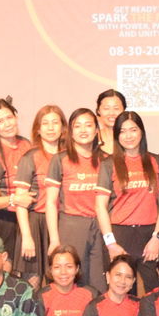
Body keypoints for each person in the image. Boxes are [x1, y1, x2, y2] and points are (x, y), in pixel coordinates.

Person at [96, 111, 159, 291]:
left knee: (155, 291)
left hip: (150, 236)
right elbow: (100, 206)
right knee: (121, 293)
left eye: (133, 130)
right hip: (120, 236)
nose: (128, 136)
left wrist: (157, 237)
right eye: (122, 131)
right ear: (117, 135)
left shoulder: (156, 161)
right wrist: (111, 243)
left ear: (141, 132)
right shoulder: (109, 164)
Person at [46, 107, 108, 290]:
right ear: (71, 132)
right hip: (71, 225)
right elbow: (50, 202)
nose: (83, 130)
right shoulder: (60, 160)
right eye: (77, 126)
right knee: (71, 282)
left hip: (101, 227)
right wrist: (54, 239)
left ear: (97, 130)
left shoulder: (107, 160)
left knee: (100, 283)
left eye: (88, 125)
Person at [0, 98, 33, 280]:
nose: (7, 124)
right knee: (3, 277)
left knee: (26, 277)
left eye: (9, 118)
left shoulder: (26, 145)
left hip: (26, 218)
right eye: (0, 122)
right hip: (3, 222)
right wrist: (13, 199)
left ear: (16, 116)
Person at [13, 105, 66, 285]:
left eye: (55, 123)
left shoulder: (69, 157)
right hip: (34, 223)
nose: (50, 128)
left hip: (62, 223)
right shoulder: (30, 157)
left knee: (59, 283)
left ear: (63, 127)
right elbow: (20, 203)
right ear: (38, 128)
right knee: (31, 286)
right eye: (45, 123)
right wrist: (27, 236)